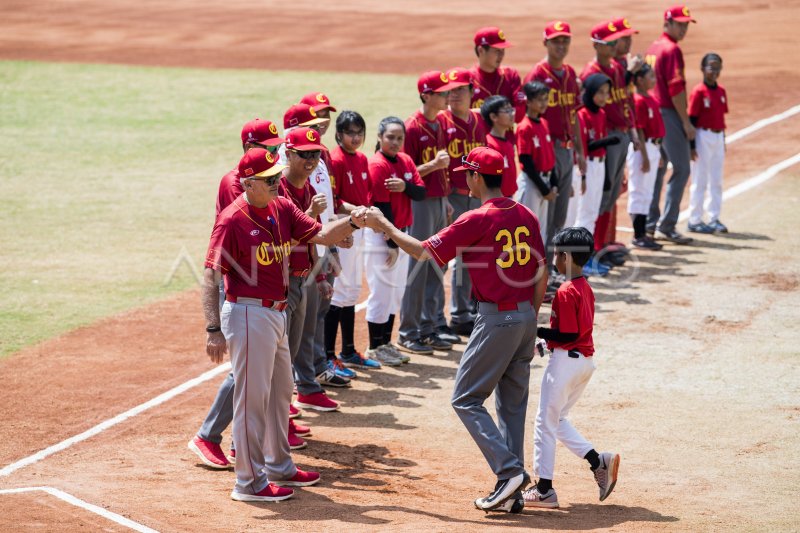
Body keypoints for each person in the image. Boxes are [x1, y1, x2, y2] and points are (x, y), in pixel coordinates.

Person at [360, 146, 547, 513]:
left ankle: (509, 472)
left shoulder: (476, 218)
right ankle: (510, 487)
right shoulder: (524, 213)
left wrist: (385, 227)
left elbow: (424, 252)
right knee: (511, 406)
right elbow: (542, 271)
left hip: (497, 319)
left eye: (467, 173)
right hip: (526, 317)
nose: (465, 178)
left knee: (466, 398)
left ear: (477, 177)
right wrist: (529, 315)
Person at [202, 147, 366, 502]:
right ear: (248, 184)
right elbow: (211, 276)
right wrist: (213, 329)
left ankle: (279, 465)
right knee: (251, 401)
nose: (278, 182)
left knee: (280, 394)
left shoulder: (281, 206)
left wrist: (354, 223)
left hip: (276, 313)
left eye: (278, 176)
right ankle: (248, 482)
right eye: (270, 179)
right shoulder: (233, 219)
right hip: (248, 314)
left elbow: (320, 235)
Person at [188, 118, 286, 470]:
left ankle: (246, 442)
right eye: (271, 148)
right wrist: (212, 327)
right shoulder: (237, 184)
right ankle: (213, 437)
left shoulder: (266, 177)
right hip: (245, 285)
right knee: (245, 375)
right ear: (250, 148)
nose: (277, 154)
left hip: (268, 282)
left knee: (260, 374)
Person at [522, 227, 620, 508]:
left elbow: (565, 334)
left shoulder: (565, 291)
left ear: (564, 257)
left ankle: (543, 489)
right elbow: (573, 332)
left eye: (556, 253)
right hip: (583, 363)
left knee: (544, 422)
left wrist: (536, 331)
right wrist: (545, 343)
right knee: (557, 420)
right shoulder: (584, 287)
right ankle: (597, 461)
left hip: (566, 362)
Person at [278, 127, 344, 417]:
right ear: (289, 154)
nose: (311, 160)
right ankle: (280, 412)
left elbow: (310, 240)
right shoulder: (279, 189)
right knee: (279, 353)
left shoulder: (309, 189)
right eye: (304, 154)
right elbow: (288, 236)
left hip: (303, 275)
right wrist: (313, 213)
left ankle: (293, 400)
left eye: (315, 154)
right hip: (281, 280)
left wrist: (319, 276)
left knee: (294, 346)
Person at [398, 71, 460, 355]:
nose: (448, 96)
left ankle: (430, 327)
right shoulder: (411, 128)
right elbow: (404, 175)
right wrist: (433, 166)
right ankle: (409, 332)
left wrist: (446, 198)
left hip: (439, 201)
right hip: (420, 204)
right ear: (426, 95)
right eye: (442, 92)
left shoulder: (442, 122)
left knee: (439, 264)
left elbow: (441, 171)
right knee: (420, 265)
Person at [524, 21, 587, 275]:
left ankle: (553, 269)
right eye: (556, 41)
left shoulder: (571, 74)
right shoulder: (536, 75)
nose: (561, 45)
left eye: (565, 41)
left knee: (560, 216)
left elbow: (573, 116)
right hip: (546, 151)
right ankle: (540, 273)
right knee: (545, 216)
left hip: (567, 150)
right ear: (545, 43)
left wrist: (580, 151)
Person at [366, 117, 427, 362]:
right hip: (382, 238)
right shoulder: (377, 164)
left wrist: (405, 187)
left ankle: (386, 343)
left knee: (396, 292)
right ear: (380, 137)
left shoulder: (406, 161)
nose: (395, 142)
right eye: (390, 137)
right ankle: (374, 346)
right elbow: (382, 206)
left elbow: (421, 192)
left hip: (401, 234)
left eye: (399, 138)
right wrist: (392, 243)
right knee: (381, 291)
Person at [580, 21, 638, 266]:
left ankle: (602, 244)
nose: (619, 45)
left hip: (620, 134)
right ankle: (594, 247)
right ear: (598, 45)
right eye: (613, 42)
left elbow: (624, 101)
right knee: (601, 194)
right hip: (606, 137)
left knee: (612, 192)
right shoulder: (591, 73)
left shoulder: (616, 67)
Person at [439, 67, 487, 337]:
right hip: (451, 197)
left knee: (471, 256)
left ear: (472, 92)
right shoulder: (442, 122)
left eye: (460, 89)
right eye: (450, 90)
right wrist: (444, 198)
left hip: (474, 196)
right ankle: (433, 318)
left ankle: (462, 314)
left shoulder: (478, 121)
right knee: (444, 258)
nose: (454, 94)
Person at [645, 4, 698, 244]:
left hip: (652, 112)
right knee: (682, 168)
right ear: (668, 23)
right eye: (681, 24)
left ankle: (649, 223)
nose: (684, 28)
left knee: (658, 168)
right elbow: (676, 90)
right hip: (667, 112)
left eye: (687, 24)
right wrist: (685, 122)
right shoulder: (672, 50)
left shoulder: (654, 47)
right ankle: (667, 224)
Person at [574, 74, 621, 277]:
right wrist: (583, 177)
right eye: (599, 92)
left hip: (600, 166)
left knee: (592, 214)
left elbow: (600, 144)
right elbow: (586, 146)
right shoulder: (582, 115)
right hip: (588, 167)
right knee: (583, 214)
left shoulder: (601, 114)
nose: (603, 97)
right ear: (590, 92)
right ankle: (579, 260)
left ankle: (589, 257)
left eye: (606, 92)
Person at [687, 53, 729, 234]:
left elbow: (721, 117)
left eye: (718, 66)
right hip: (702, 136)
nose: (715, 70)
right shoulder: (698, 91)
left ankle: (714, 218)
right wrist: (691, 146)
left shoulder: (721, 91)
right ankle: (694, 219)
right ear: (702, 69)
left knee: (716, 180)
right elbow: (692, 119)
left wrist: (723, 140)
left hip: (718, 137)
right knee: (700, 180)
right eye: (711, 66)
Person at [627, 64, 665, 250]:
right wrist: (645, 156)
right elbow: (640, 130)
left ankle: (643, 234)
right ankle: (638, 234)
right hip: (643, 149)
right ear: (639, 80)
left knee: (647, 192)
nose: (654, 79)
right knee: (638, 191)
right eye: (650, 76)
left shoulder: (653, 99)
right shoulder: (639, 100)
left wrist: (658, 154)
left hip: (654, 147)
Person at [514, 81, 556, 244]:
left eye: (546, 99)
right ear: (528, 102)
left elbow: (550, 156)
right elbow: (526, 160)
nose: (544, 103)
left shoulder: (544, 123)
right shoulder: (525, 127)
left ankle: (537, 269)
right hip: (532, 183)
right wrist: (545, 189)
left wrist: (553, 183)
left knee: (540, 233)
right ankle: (522, 269)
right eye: (539, 99)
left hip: (544, 182)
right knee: (526, 232)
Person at [470, 27, 527, 121]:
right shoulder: (468, 80)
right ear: (481, 50)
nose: (501, 56)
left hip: (506, 136)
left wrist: (487, 113)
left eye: (503, 51)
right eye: (497, 51)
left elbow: (520, 113)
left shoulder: (511, 75)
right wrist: (504, 113)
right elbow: (461, 116)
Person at [480, 95, 518, 198]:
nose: (512, 114)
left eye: (511, 109)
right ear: (493, 117)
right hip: (495, 200)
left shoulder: (508, 143)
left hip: (509, 198)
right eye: (507, 111)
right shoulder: (488, 143)